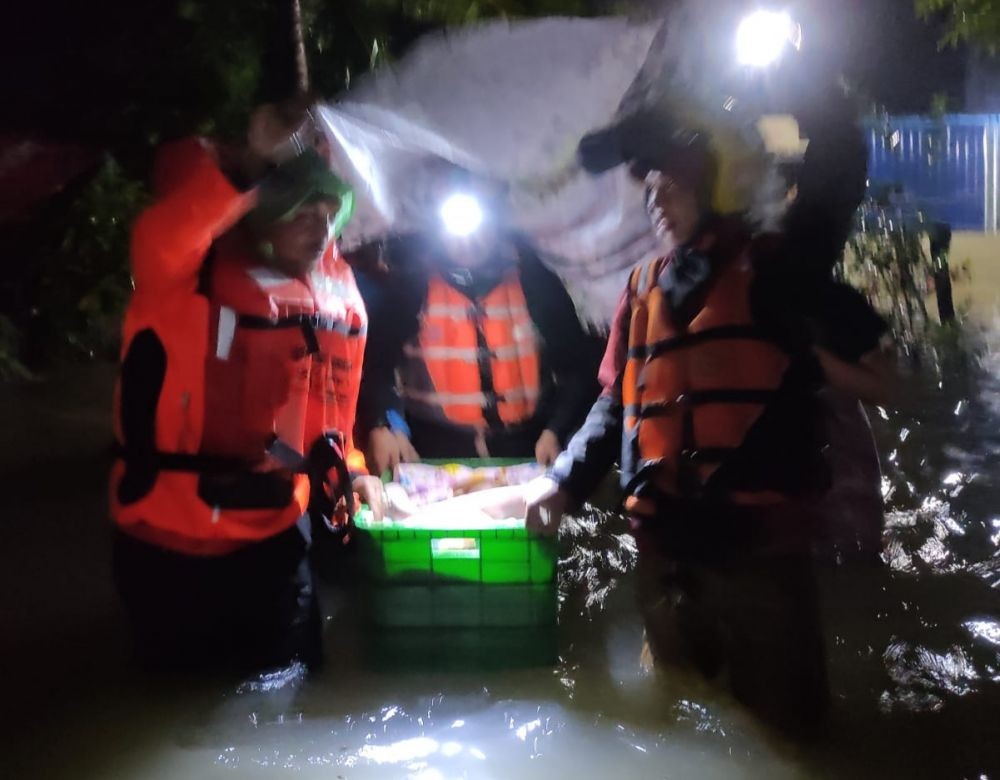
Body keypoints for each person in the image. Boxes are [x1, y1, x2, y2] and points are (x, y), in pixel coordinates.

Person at [526, 123, 894, 735]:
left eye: (672, 187)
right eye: (649, 192)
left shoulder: (779, 273)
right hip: (666, 547)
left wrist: (812, 356)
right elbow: (617, 402)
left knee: (786, 734)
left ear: (714, 188)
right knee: (679, 723)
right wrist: (563, 481)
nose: (656, 203)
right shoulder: (641, 288)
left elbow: (885, 379)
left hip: (759, 548)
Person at [110, 101, 383, 675]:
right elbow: (166, 232)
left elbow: (328, 410)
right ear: (260, 215)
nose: (321, 226)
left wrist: (353, 470)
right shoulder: (185, 269)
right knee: (172, 703)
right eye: (302, 211)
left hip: (279, 536)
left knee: (290, 687)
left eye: (329, 212)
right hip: (169, 541)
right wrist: (254, 162)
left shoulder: (333, 289)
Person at [356, 168, 602, 475]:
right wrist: (387, 423)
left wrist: (556, 430)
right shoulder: (412, 284)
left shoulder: (533, 279)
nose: (468, 242)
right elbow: (377, 365)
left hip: (527, 451)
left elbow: (576, 367)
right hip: (434, 457)